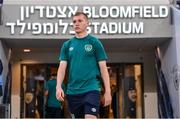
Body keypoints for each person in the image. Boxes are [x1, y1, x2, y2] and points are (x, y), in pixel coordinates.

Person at [56, 11, 112, 119]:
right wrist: (58, 87)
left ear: (87, 23)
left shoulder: (94, 42)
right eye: (74, 21)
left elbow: (103, 69)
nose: (76, 23)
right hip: (73, 91)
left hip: (91, 89)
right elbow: (62, 68)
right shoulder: (67, 45)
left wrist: (108, 91)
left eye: (80, 21)